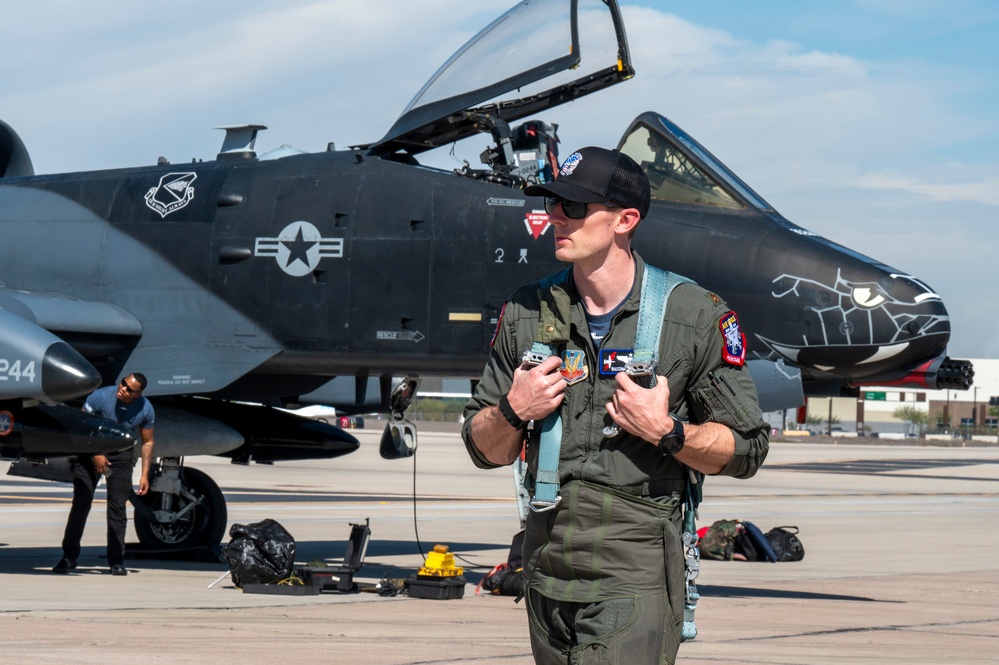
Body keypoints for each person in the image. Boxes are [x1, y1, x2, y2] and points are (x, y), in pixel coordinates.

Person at [461, 147, 769, 664]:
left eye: (575, 207)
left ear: (626, 220)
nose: (556, 216)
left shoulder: (692, 316)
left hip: (634, 571)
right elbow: (483, 449)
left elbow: (745, 448)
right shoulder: (526, 311)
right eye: (554, 203)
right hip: (546, 569)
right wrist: (515, 410)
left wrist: (668, 432)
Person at [52, 373, 156, 576]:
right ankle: (68, 557)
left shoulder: (146, 408)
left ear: (137, 394)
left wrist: (145, 475)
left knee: (117, 509)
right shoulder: (100, 397)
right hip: (91, 447)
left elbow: (148, 442)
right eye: (123, 382)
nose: (122, 388)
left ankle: (116, 561)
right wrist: (95, 454)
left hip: (121, 454)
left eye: (128, 388)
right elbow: (81, 427)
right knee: (81, 505)